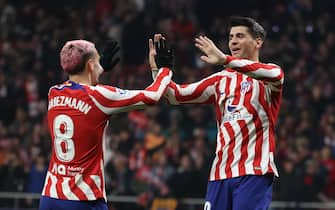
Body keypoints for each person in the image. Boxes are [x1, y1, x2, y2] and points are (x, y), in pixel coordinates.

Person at [149, 16, 284, 210]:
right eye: (230, 37)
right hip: (219, 175)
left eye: (240, 36)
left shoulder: (270, 75)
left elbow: (274, 75)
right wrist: (159, 70)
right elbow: (174, 96)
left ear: (258, 42)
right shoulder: (220, 80)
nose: (233, 41)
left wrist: (225, 60)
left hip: (253, 173)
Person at [39, 39, 172, 210]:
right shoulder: (101, 96)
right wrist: (164, 69)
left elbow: (82, 88)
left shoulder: (53, 93)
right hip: (84, 200)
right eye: (97, 60)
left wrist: (97, 68)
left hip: (50, 196)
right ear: (90, 65)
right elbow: (153, 96)